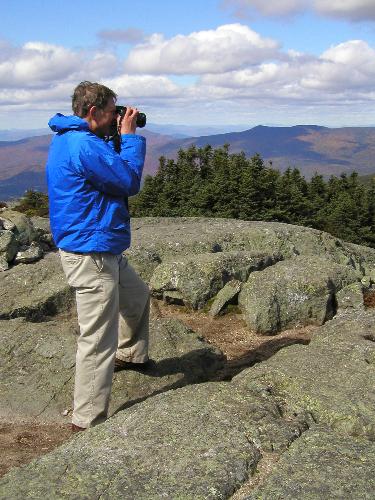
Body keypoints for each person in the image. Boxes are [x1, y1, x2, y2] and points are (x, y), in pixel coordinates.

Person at [46, 81, 151, 431]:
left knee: (136, 297)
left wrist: (115, 134)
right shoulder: (83, 145)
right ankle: (87, 420)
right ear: (93, 112)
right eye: (112, 111)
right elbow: (128, 180)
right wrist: (131, 137)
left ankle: (131, 354)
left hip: (102, 245)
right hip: (92, 252)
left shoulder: (71, 137)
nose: (116, 118)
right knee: (96, 339)